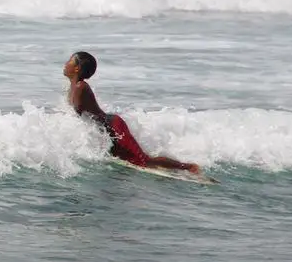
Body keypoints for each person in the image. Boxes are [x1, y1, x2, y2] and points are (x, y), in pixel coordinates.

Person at [64, 51, 201, 174]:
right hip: (105, 130)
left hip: (113, 127)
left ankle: (188, 167)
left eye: (69, 62)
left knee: (144, 161)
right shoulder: (72, 87)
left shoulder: (80, 87)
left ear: (77, 68)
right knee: (128, 159)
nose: (65, 64)